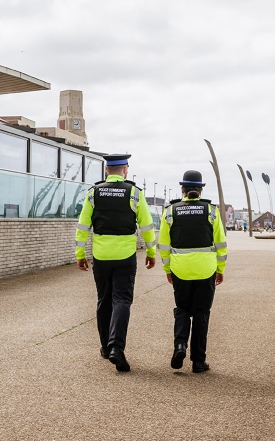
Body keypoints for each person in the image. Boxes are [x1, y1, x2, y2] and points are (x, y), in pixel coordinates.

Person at [75, 154, 156, 372]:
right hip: (125, 257)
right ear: (125, 170)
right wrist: (151, 251)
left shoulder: (94, 193)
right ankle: (116, 348)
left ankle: (104, 346)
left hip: (101, 257)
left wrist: (80, 253)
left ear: (106, 171)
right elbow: (147, 226)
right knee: (122, 300)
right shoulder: (134, 193)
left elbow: (83, 224)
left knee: (104, 300)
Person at [158, 170, 227, 373]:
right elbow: (221, 244)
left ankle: (180, 346)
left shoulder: (170, 211)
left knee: (182, 309)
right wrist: (220, 269)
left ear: (182, 189)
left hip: (180, 269)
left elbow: (164, 244)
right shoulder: (211, 211)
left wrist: (168, 269)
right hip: (206, 270)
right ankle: (198, 361)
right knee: (201, 314)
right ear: (201, 189)